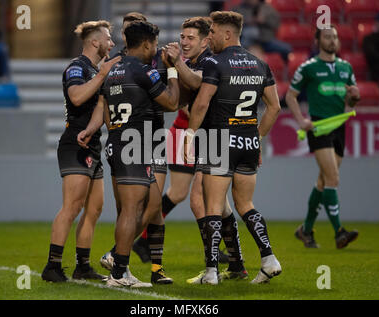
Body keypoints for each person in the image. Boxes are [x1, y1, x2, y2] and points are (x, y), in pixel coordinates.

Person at [78, 21, 179, 287]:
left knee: (135, 208)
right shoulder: (143, 70)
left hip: (119, 142)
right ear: (146, 44)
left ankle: (120, 269)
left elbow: (106, 109)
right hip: (134, 145)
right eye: (154, 45)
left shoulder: (111, 70)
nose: (155, 49)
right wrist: (172, 71)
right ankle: (119, 273)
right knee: (132, 210)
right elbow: (171, 103)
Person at [184, 11, 282, 285]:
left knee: (213, 206)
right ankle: (269, 259)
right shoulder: (260, 64)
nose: (210, 37)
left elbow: (202, 103)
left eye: (212, 32)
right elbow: (274, 107)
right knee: (245, 205)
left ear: (227, 34)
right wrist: (257, 137)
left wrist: (190, 134)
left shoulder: (215, 63)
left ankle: (212, 272)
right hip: (248, 141)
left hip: (219, 140)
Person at [132, 16, 234, 271]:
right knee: (196, 196)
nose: (184, 42)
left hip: (202, 134)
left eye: (190, 38)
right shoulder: (188, 64)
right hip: (188, 133)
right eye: (183, 37)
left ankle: (229, 256)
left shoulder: (206, 63)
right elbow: (188, 106)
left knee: (210, 199)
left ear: (205, 40)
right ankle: (217, 253)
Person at [41, 20, 121, 283]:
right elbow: (75, 97)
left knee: (94, 209)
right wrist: (102, 75)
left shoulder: (95, 69)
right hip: (75, 144)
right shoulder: (77, 67)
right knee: (72, 206)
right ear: (95, 42)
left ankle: (82, 266)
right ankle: (52, 266)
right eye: (108, 38)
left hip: (92, 144)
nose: (112, 43)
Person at [285, 25, 360, 249]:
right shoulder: (309, 67)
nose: (332, 40)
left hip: (339, 126)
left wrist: (354, 98)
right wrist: (301, 121)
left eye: (335, 37)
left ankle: (305, 231)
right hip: (319, 127)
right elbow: (290, 95)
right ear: (318, 41)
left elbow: (351, 101)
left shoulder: (346, 67)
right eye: (327, 37)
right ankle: (339, 232)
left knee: (323, 181)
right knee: (333, 178)